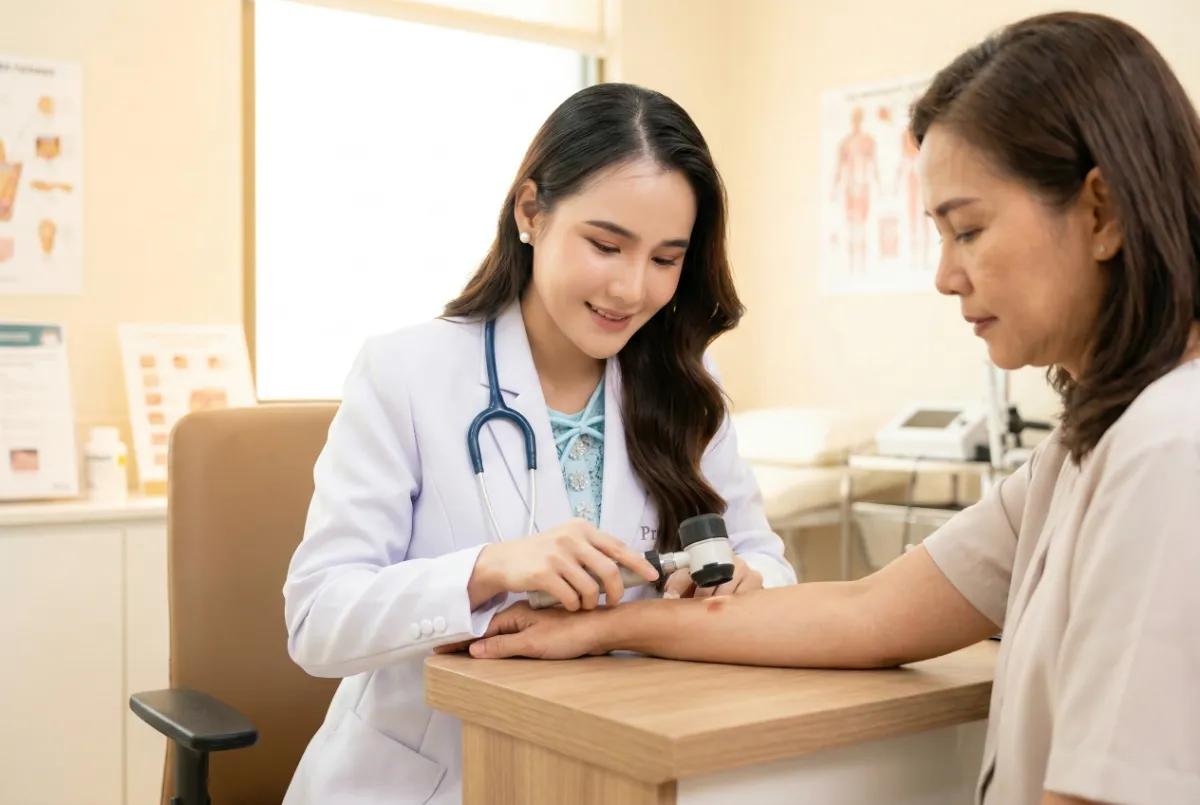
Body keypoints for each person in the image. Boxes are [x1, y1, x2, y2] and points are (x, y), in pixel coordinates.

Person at [454, 13, 1200, 805]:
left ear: (1102, 213)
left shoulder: (1169, 447)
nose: (945, 276)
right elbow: (870, 611)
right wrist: (600, 626)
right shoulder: (1088, 448)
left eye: (969, 230)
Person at [280, 82, 797, 805]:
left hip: (613, 767)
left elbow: (768, 561)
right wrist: (487, 569)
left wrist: (745, 580)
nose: (632, 288)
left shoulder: (685, 384)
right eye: (606, 245)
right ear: (531, 212)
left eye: (665, 259)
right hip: (431, 779)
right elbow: (317, 620)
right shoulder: (406, 372)